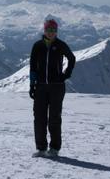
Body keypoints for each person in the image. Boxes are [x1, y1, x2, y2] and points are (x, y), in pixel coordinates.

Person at [29, 19, 76, 158]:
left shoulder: (60, 45)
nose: (51, 33)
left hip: (57, 87)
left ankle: (54, 148)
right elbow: (33, 67)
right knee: (39, 118)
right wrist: (32, 85)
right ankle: (41, 148)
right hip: (41, 87)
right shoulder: (37, 46)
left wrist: (65, 75)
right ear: (44, 31)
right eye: (49, 30)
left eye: (54, 30)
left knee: (54, 118)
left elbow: (72, 59)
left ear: (56, 32)